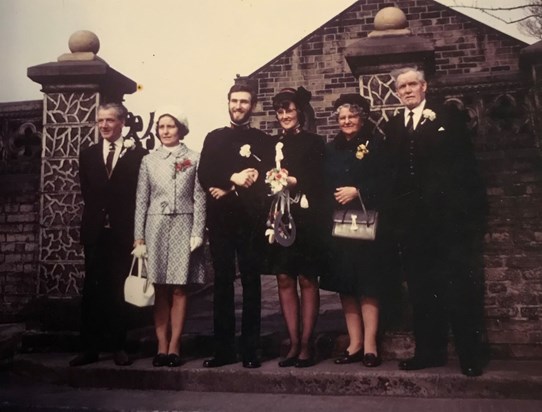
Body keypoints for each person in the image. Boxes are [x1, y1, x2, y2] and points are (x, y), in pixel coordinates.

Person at [381, 67, 488, 377]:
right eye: (402, 87)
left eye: (413, 84)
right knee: (421, 289)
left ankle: (470, 355)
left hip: (447, 223)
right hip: (412, 227)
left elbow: (466, 169)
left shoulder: (447, 119)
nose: (407, 90)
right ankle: (428, 352)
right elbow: (392, 177)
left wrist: (468, 217)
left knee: (458, 286)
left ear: (424, 87)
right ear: (397, 92)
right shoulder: (393, 126)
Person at [197, 83, 273, 368]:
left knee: (252, 282)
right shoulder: (214, 137)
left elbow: (266, 174)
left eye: (244, 102)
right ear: (227, 103)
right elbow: (205, 173)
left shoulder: (261, 139)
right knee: (223, 283)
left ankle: (251, 349)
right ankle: (224, 350)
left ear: (252, 106)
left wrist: (232, 185)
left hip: (250, 219)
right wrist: (233, 177)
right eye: (234, 101)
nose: (239, 106)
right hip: (221, 221)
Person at [70, 102, 147, 367]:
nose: (104, 125)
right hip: (94, 231)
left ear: (122, 122)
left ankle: (118, 346)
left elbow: (139, 196)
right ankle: (89, 348)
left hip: (122, 231)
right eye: (100, 120)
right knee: (92, 288)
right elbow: (87, 193)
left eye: (110, 120)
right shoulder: (88, 155)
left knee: (118, 288)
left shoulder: (138, 155)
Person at [133, 107, 207, 368]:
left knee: (179, 286)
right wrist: (138, 236)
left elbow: (199, 198)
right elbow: (142, 199)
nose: (165, 131)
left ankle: (175, 345)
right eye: (161, 127)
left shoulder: (195, 158)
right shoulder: (148, 161)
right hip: (155, 227)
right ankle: (161, 345)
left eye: (171, 126)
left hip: (184, 226)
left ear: (181, 129)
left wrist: (198, 231)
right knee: (160, 287)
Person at [319, 94, 383, 368]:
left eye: (351, 116)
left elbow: (387, 178)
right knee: (346, 286)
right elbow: (322, 181)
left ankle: (370, 345)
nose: (346, 121)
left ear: (362, 117)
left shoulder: (377, 144)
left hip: (368, 223)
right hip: (340, 224)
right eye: (342, 117)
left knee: (368, 284)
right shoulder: (331, 149)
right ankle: (354, 343)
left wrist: (359, 191)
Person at [266, 87, 325, 368]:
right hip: (281, 218)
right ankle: (292, 342)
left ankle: (306, 344)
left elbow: (320, 182)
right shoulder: (274, 145)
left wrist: (294, 181)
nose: (285, 115)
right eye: (280, 111)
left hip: (306, 217)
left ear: (299, 112)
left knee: (306, 278)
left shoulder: (315, 143)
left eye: (289, 110)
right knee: (285, 278)